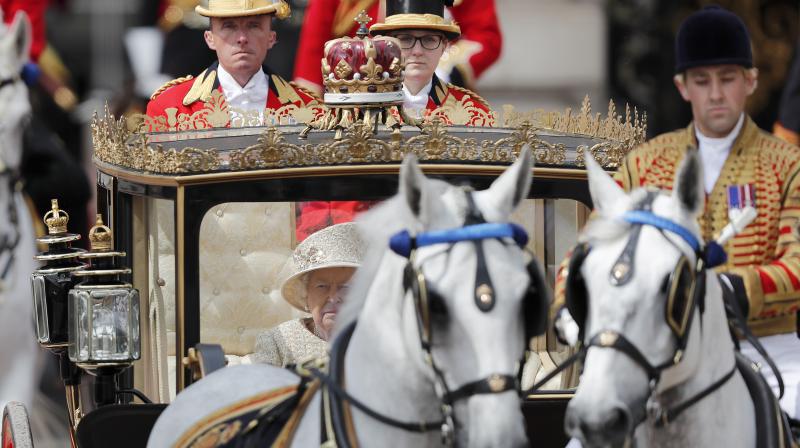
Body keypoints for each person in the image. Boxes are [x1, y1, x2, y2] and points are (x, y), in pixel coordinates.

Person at [556, 5, 800, 416]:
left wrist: (733, 289)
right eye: (702, 81)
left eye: (728, 79)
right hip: (657, 351)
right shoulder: (645, 163)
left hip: (766, 348)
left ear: (751, 81)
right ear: (682, 86)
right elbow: (586, 249)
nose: (716, 94)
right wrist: (569, 306)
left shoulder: (788, 163)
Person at [145, 0, 320, 130]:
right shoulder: (169, 109)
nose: (242, 38)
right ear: (210, 38)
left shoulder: (308, 108)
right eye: (229, 26)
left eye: (253, 26)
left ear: (271, 38)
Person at [292, 0, 501, 95]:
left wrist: (444, 69)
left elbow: (485, 36)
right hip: (354, 97)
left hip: (434, 91)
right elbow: (314, 47)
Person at [251, 222, 365, 367]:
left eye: (345, 287)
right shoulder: (277, 341)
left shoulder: (381, 339)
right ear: (305, 294)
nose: (333, 297)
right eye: (322, 286)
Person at [368, 0, 493, 123]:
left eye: (429, 40)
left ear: (443, 47)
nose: (417, 51)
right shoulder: (359, 112)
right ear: (388, 45)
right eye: (405, 39)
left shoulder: (475, 114)